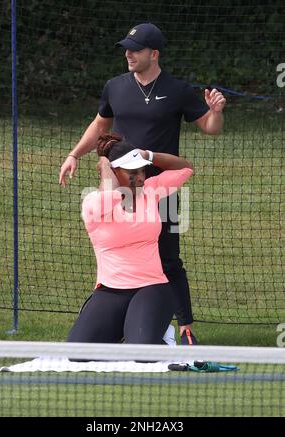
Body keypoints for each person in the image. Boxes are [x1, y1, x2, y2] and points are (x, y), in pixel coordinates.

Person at [59, 23, 226, 344]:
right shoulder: (115, 86)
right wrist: (75, 154)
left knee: (168, 258)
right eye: (127, 48)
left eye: (135, 50)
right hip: (118, 193)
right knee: (122, 254)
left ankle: (184, 327)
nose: (128, 54)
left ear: (154, 53)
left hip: (161, 189)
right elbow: (100, 123)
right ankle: (124, 321)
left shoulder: (177, 90)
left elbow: (210, 127)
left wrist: (216, 112)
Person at [67, 133, 193, 344]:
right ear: (114, 174)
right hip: (110, 290)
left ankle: (157, 334)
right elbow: (108, 198)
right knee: (78, 354)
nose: (141, 177)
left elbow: (185, 168)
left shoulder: (150, 191)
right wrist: (107, 169)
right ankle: (128, 329)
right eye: (133, 172)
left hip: (152, 287)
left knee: (140, 352)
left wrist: (148, 155)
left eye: (142, 170)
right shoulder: (92, 205)